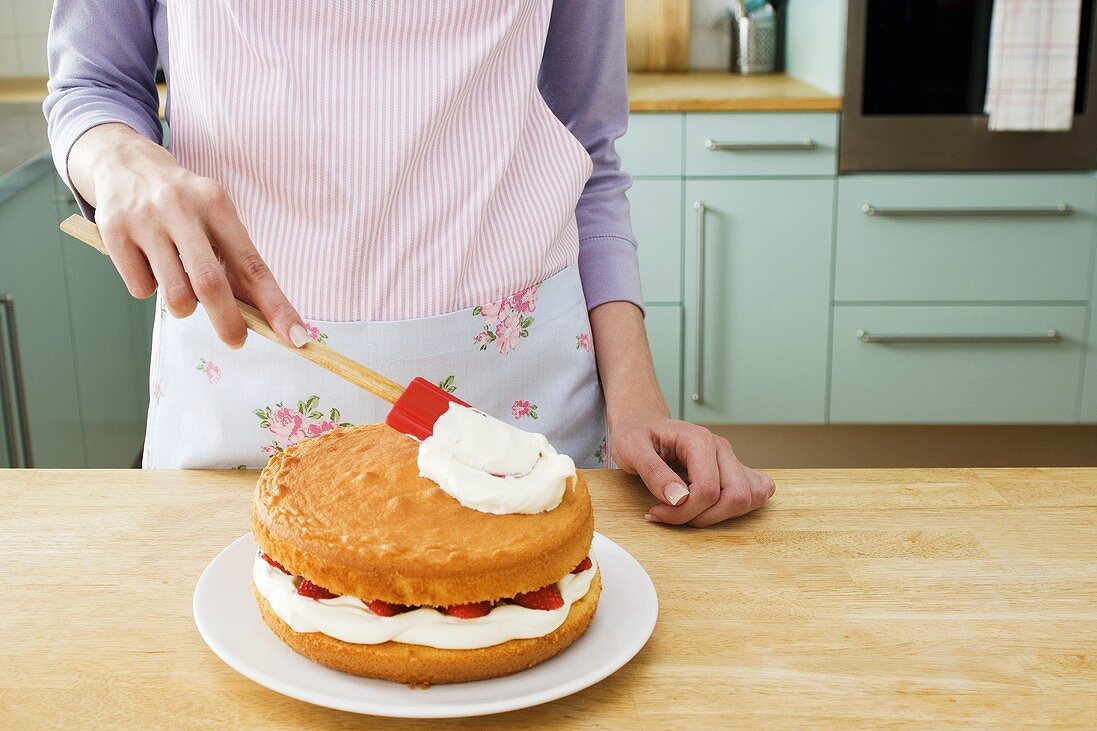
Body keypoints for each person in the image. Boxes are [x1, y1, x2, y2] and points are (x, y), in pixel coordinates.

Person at [45, 0, 774, 526]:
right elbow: (92, 84)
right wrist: (113, 155)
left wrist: (638, 404)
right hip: (241, 387)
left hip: (520, 399)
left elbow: (591, 152)